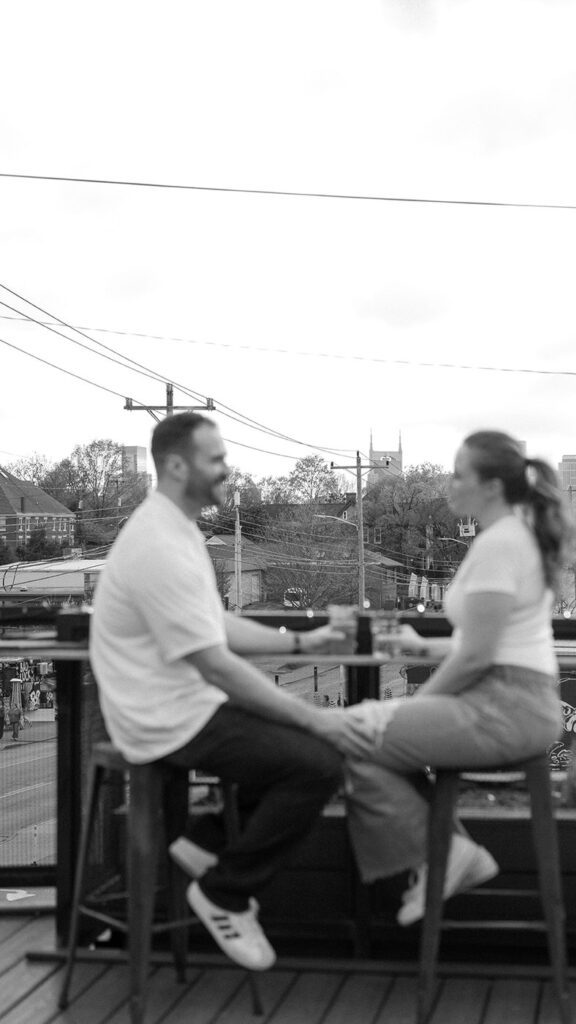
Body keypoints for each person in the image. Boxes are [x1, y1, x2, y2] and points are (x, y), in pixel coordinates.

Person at [90, 412, 372, 972]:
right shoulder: (158, 544)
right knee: (318, 761)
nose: (227, 468)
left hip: (183, 704)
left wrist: (299, 644)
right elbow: (216, 663)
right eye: (215, 459)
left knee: (304, 744)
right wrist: (311, 718)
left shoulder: (177, 529)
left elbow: (214, 626)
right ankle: (224, 893)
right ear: (175, 466)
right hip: (162, 719)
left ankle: (204, 837)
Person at [343, 429, 572, 925]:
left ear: (490, 486)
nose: (448, 484)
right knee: (362, 733)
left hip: (505, 704)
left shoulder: (499, 544)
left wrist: (412, 702)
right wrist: (425, 646)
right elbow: (490, 642)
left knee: (354, 732)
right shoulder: (511, 537)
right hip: (517, 700)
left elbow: (478, 657)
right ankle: (448, 852)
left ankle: (444, 855)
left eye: (458, 474)